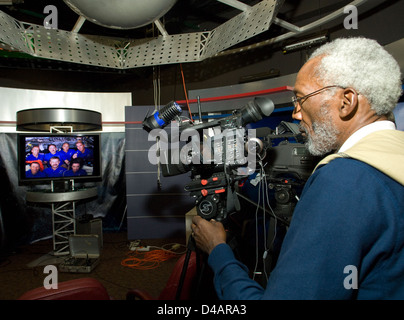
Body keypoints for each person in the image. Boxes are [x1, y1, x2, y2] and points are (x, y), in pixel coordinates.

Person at [191, 37, 404, 299]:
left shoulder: (343, 179)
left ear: (346, 101)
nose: (295, 113)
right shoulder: (393, 161)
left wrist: (217, 251)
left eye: (302, 99)